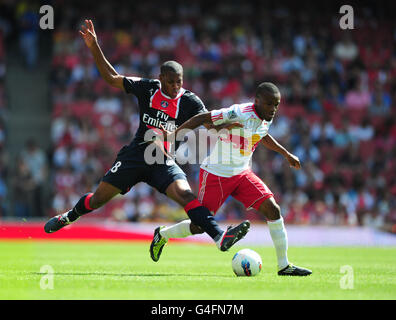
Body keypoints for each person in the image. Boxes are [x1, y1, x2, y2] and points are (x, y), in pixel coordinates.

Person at [44, 19, 250, 252]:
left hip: (161, 160)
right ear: (161, 78)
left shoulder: (190, 101)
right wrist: (94, 47)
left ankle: (219, 236)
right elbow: (112, 78)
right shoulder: (147, 88)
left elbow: (210, 123)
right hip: (135, 156)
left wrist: (236, 127)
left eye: (178, 82)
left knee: (186, 194)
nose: (174, 87)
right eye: (170, 82)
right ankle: (69, 217)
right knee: (98, 199)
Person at [150, 82, 312, 276]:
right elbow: (204, 118)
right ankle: (163, 234)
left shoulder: (266, 117)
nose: (273, 109)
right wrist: (172, 135)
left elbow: (262, 135)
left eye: (276, 104)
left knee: (273, 209)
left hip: (242, 174)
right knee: (200, 226)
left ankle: (284, 265)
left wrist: (286, 154)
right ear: (257, 101)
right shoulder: (239, 112)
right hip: (216, 174)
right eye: (269, 104)